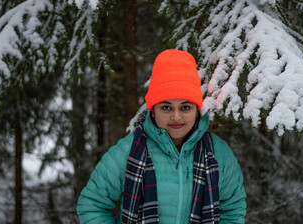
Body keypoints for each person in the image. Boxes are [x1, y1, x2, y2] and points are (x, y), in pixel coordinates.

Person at [77, 49, 246, 223]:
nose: (176, 117)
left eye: (185, 107)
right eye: (166, 107)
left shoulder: (219, 154)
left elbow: (232, 211)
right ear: (153, 109)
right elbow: (92, 204)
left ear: (197, 110)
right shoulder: (126, 152)